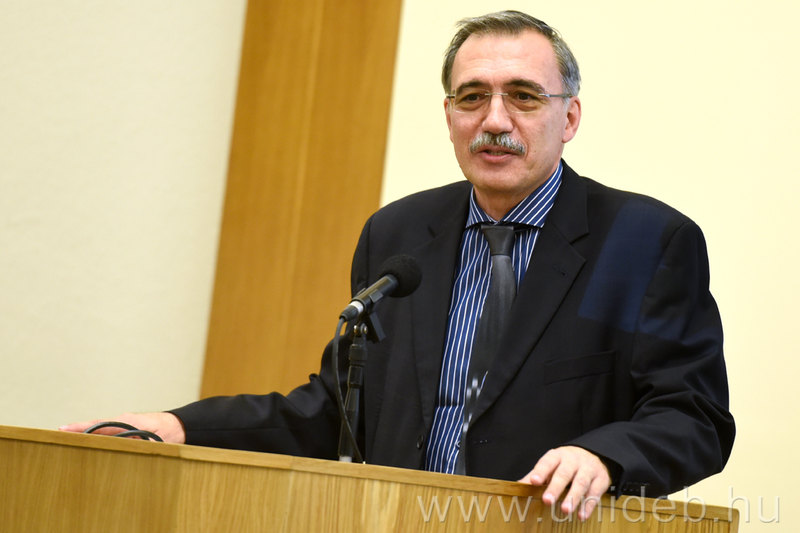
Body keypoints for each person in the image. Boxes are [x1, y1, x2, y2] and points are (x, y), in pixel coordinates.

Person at [62, 11, 735, 521]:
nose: (495, 120)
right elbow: (335, 412)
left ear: (570, 117)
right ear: (449, 115)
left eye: (524, 97)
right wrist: (180, 427)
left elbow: (695, 416)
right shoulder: (400, 234)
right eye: (472, 97)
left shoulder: (644, 240)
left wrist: (603, 455)